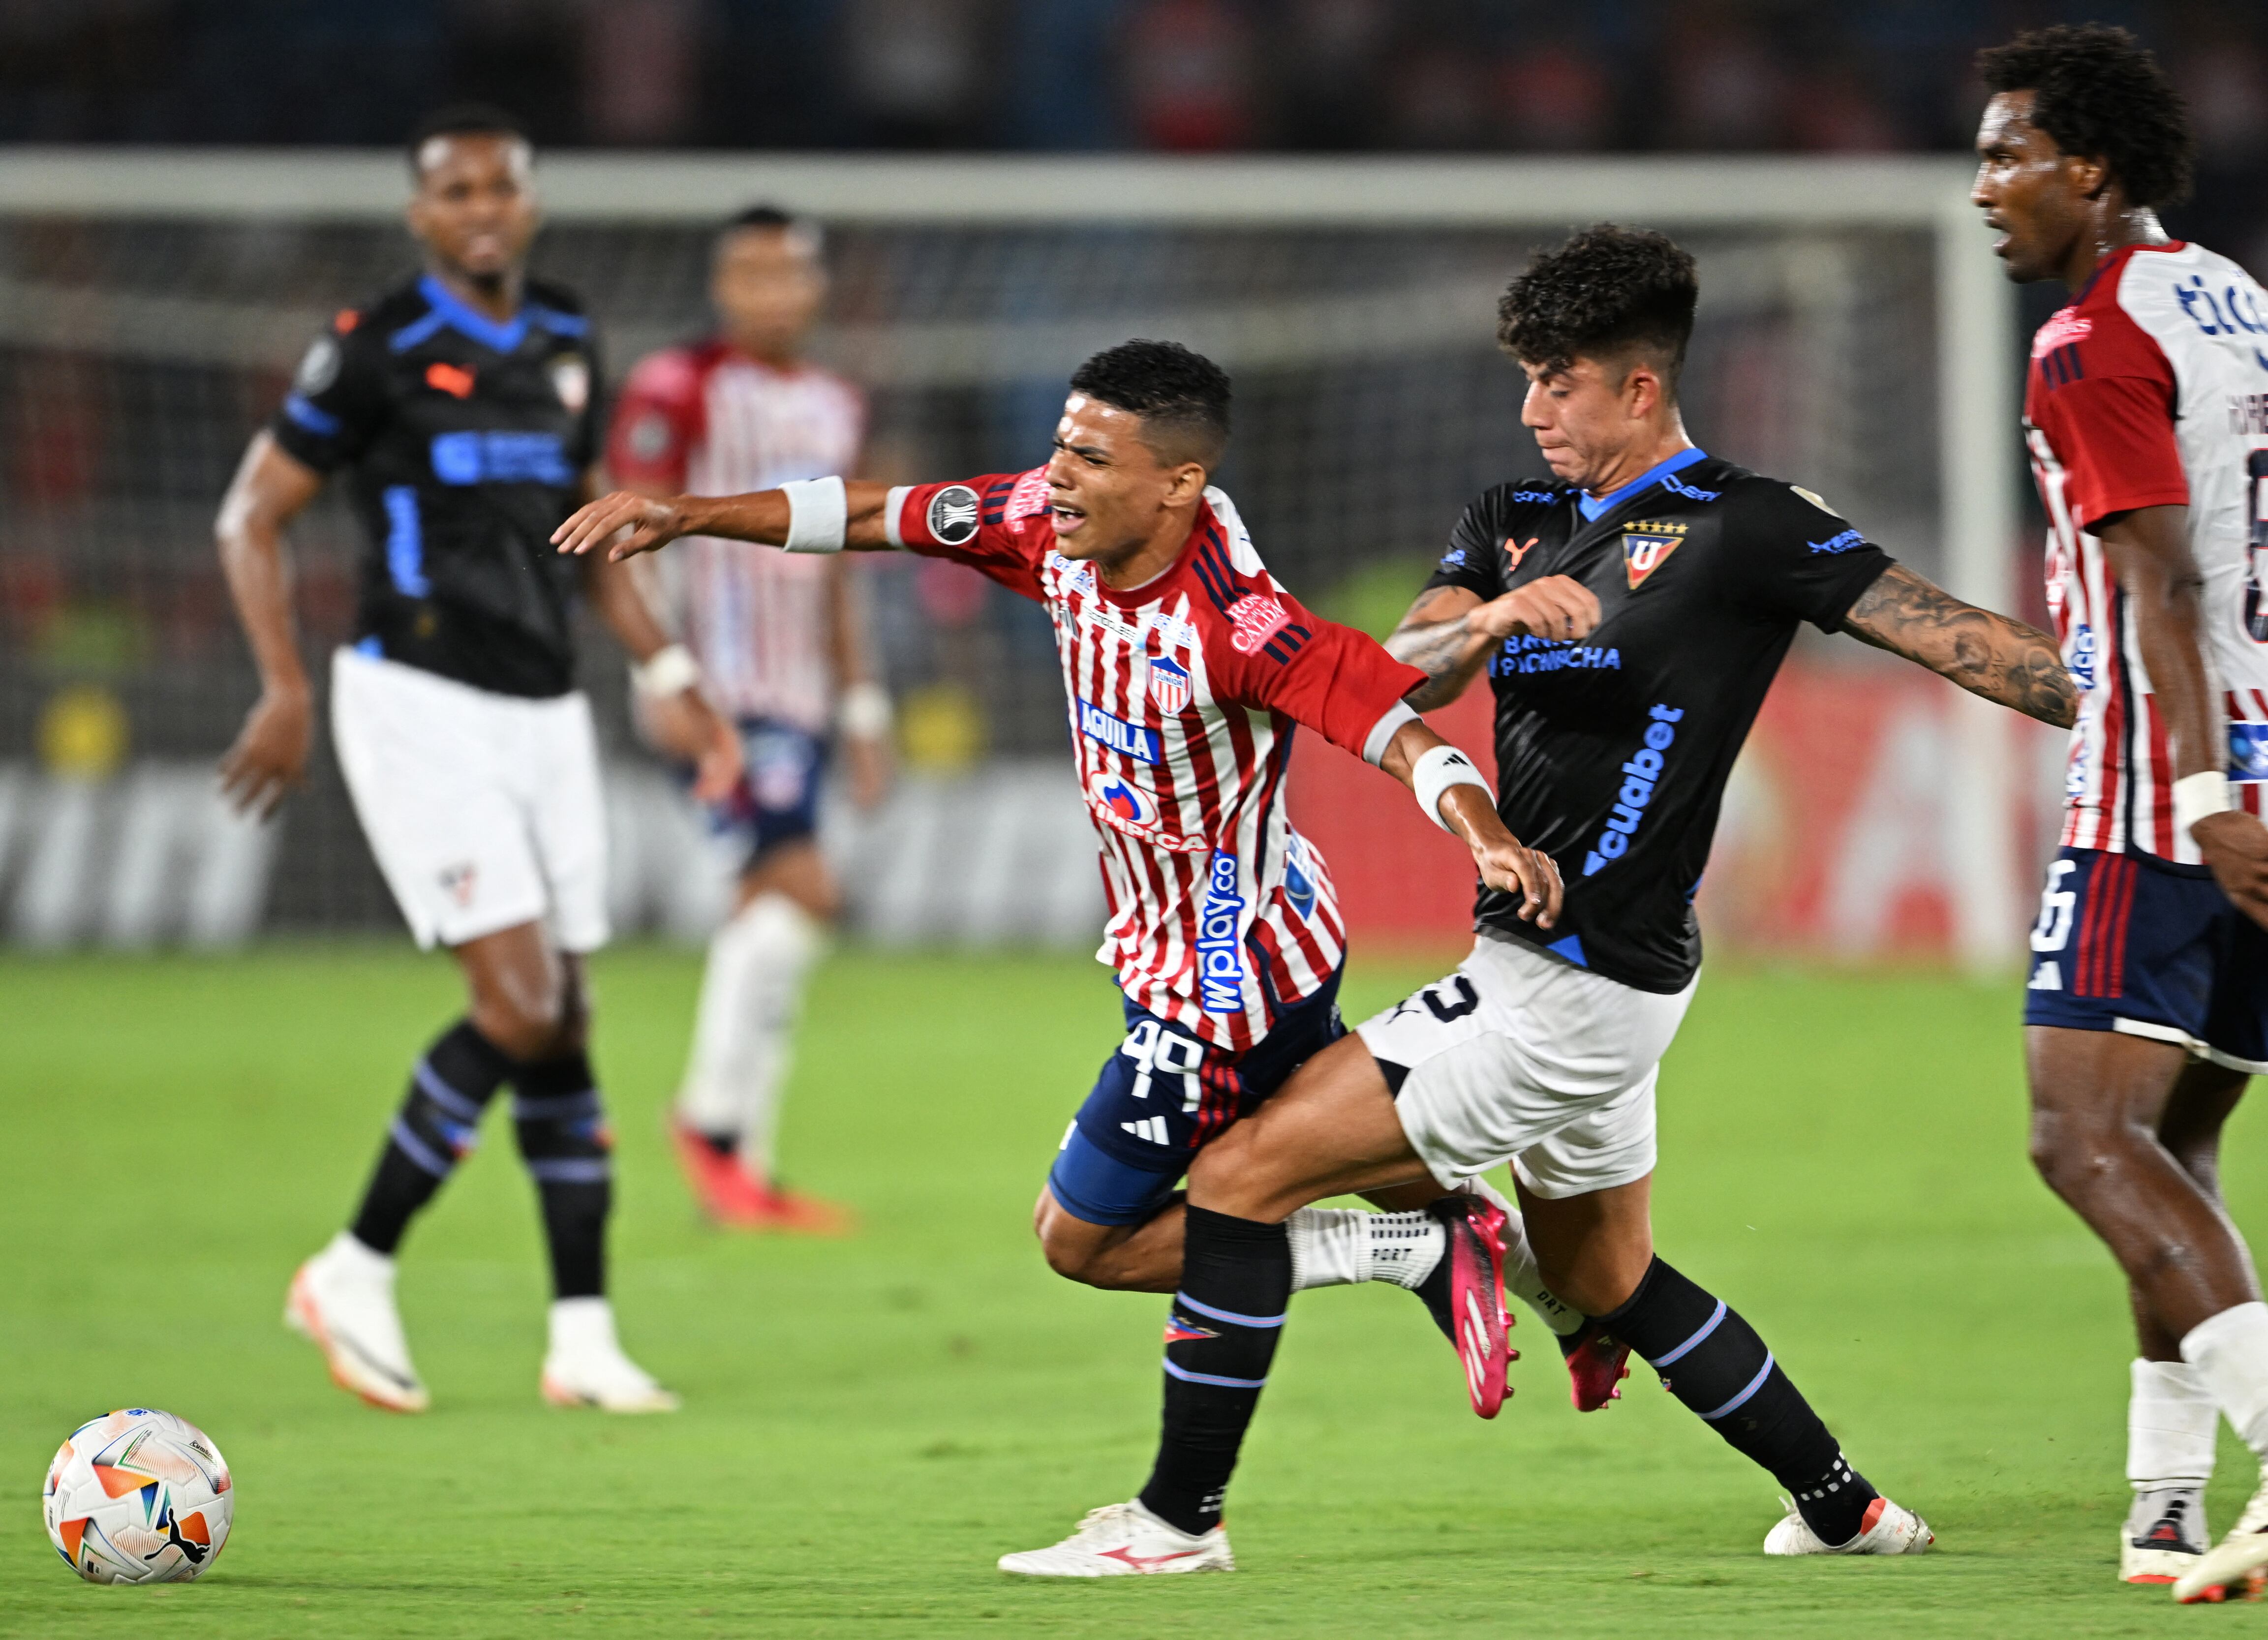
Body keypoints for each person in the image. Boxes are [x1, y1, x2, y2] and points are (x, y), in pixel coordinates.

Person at [986, 224, 2082, 1577]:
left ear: (1638, 385)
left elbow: (1964, 638)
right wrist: (1496, 620)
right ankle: (1848, 1504)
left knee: (1239, 1173)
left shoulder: (1749, 524)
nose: (1532, 408)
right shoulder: (1511, 520)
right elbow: (1408, 670)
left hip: (1573, 984)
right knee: (1608, 1274)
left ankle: (1175, 1519)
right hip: (1577, 968)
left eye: (1557, 381)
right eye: (1526, 377)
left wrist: (2168, 737)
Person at [555, 337, 1563, 1418]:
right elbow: (870, 514)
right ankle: (1573, 1288)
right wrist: (690, 512)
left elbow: (1398, 731)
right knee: (1340, 1145)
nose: (1058, 475)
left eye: (1090, 457)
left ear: (1178, 483)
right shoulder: (1042, 521)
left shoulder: (1241, 623)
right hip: (1217, 940)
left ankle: (1411, 1255)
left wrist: (1485, 832)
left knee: (1083, 1239)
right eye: (1059, 447)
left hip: (1222, 978)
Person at [1971, 26, 2268, 1602]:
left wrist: (2203, 784)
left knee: (2076, 1135)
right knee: (2174, 1143)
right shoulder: (2246, 299)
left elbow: (2151, 575)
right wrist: (2259, 672)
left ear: (2089, 168)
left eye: (2008, 156)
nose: (1984, 192)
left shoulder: (2089, 340)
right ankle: (2166, 1500)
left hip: (2174, 789)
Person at [216, 106, 738, 1415]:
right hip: (417, 701)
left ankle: (582, 1333)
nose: (482, 207)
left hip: (546, 708)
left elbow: (595, 525)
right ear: (421, 215)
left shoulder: (565, 335)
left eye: (500, 185)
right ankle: (353, 1263)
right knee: (515, 1001)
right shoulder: (373, 347)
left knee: (564, 1012)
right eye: (455, 190)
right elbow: (252, 515)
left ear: (532, 199)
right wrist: (282, 685)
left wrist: (668, 674)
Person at [608, 206, 890, 1232]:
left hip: (804, 696)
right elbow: (617, 530)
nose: (773, 294)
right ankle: (710, 1126)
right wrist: (665, 678)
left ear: (816, 287)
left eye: (791, 274)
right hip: (719, 693)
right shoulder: (676, 386)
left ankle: (741, 1165)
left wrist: (863, 706)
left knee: (775, 911)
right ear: (724, 288)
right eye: (752, 275)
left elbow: (844, 562)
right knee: (802, 888)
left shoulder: (834, 402)